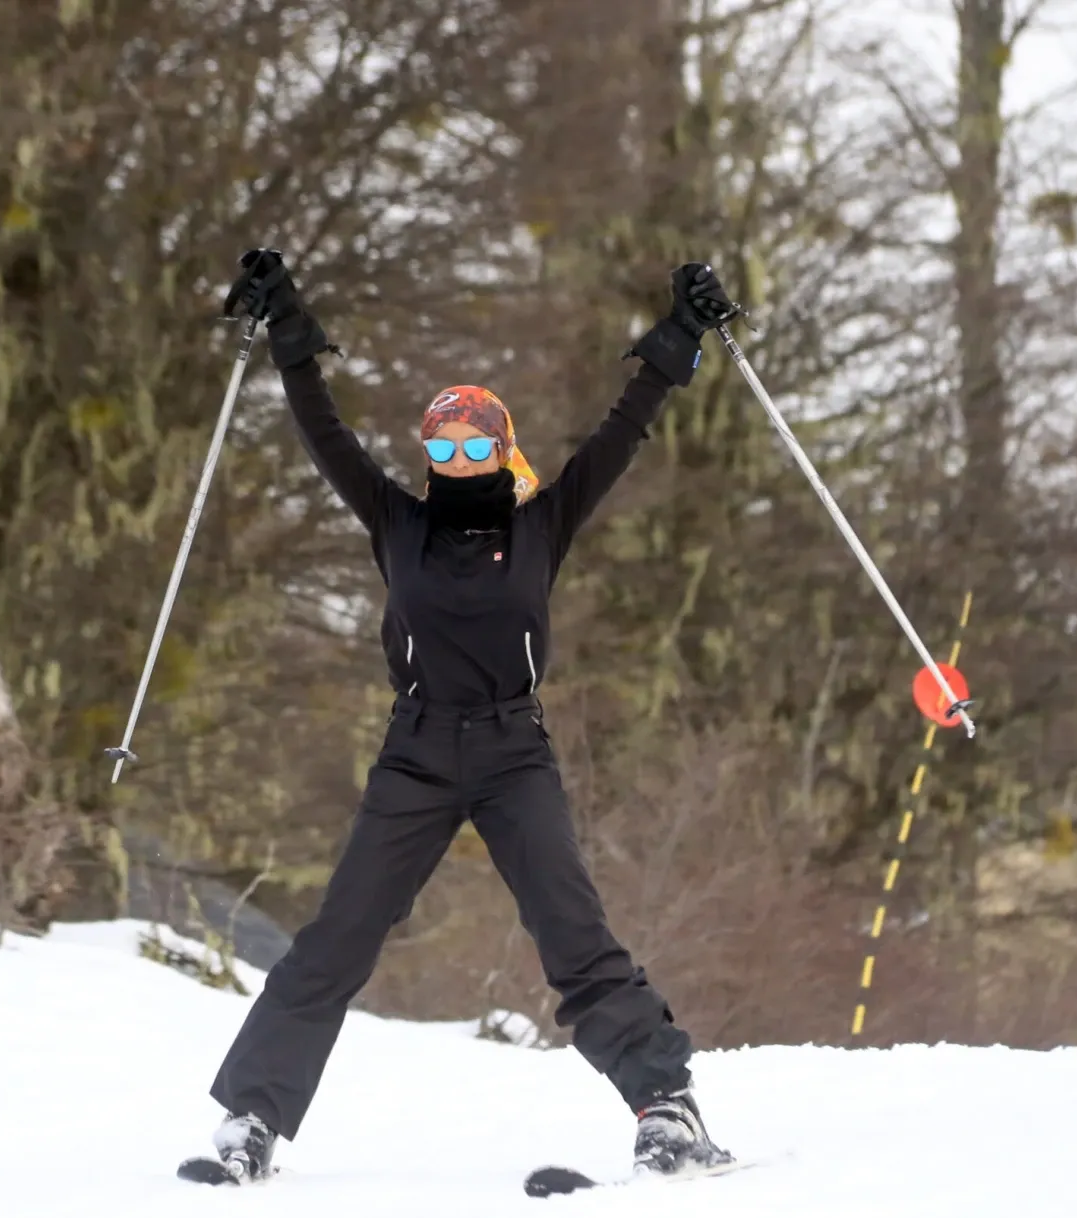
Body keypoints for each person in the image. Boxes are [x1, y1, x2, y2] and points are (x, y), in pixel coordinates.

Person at [193, 249, 739, 1184]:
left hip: (512, 750)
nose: (454, 461)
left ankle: (667, 1108)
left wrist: (681, 337)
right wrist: (288, 330)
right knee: (338, 937)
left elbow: (622, 430)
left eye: (471, 446)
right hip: (415, 752)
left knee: (571, 934)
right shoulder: (397, 523)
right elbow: (323, 430)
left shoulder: (540, 526)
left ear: (500, 448)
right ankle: (253, 1121)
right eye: (439, 448)